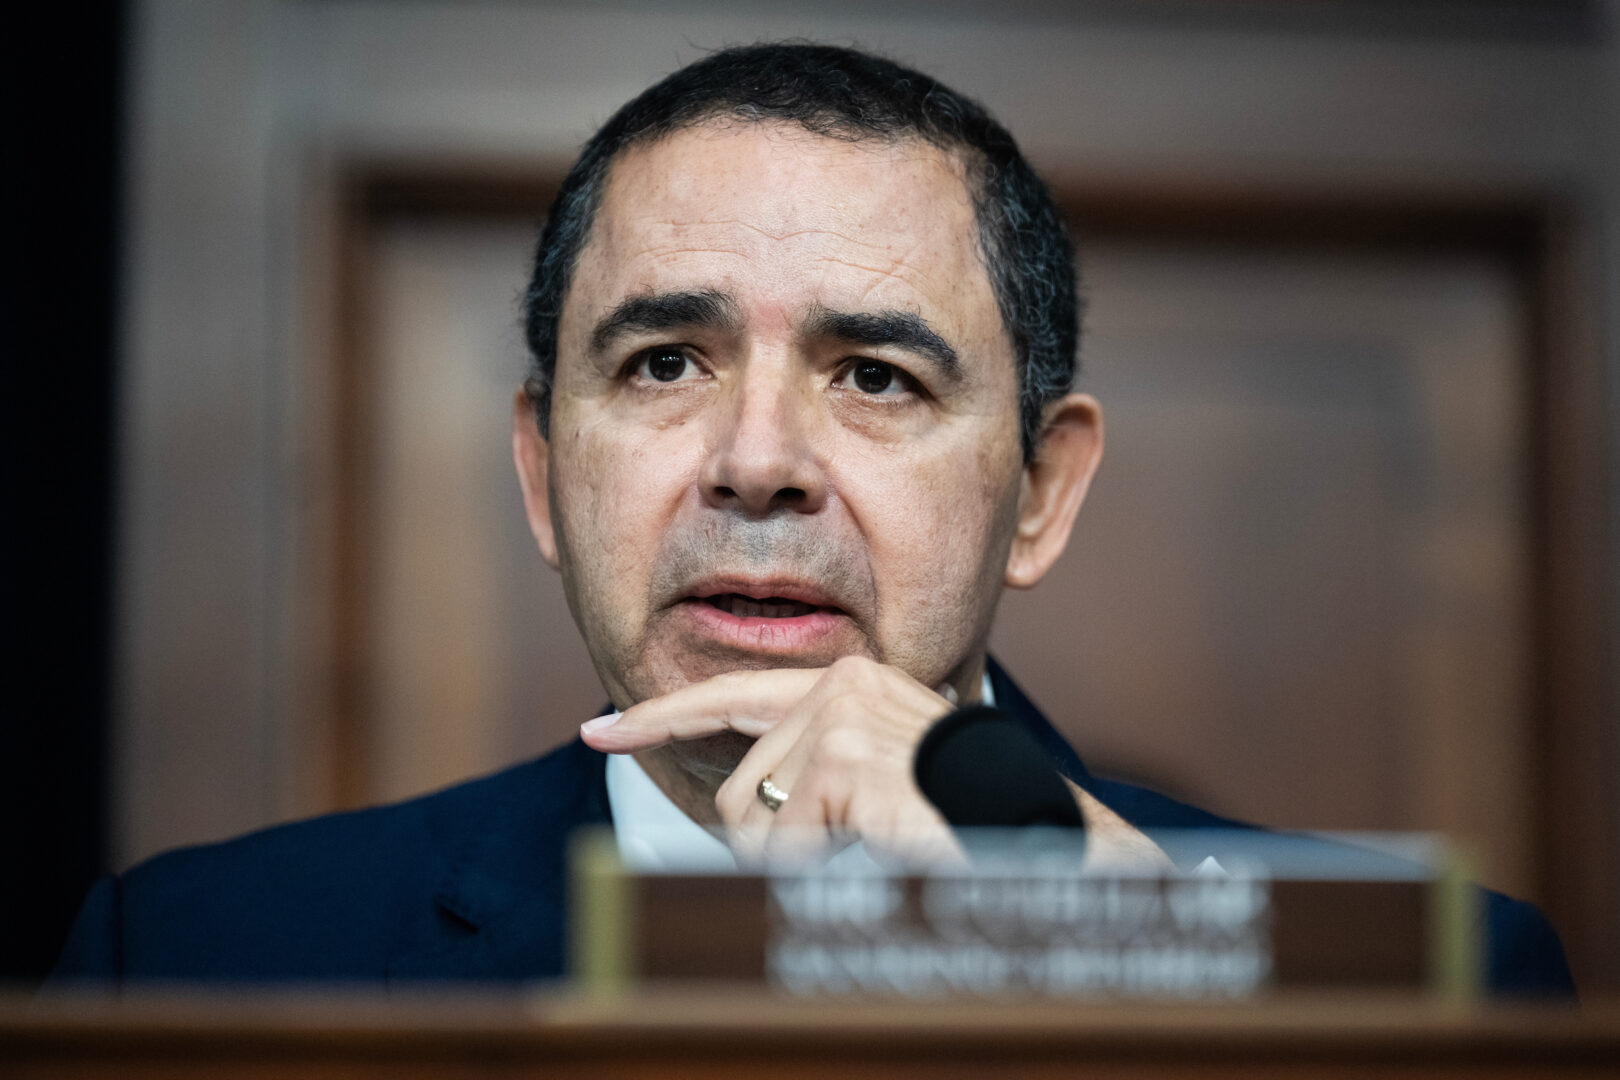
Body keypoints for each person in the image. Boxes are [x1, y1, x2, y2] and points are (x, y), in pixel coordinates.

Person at [49, 43, 1573, 995]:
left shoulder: (1443, 986)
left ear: (1039, 493)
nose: (759, 460)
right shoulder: (194, 958)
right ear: (539, 473)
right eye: (663, 363)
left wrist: (1096, 926)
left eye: (876, 375)